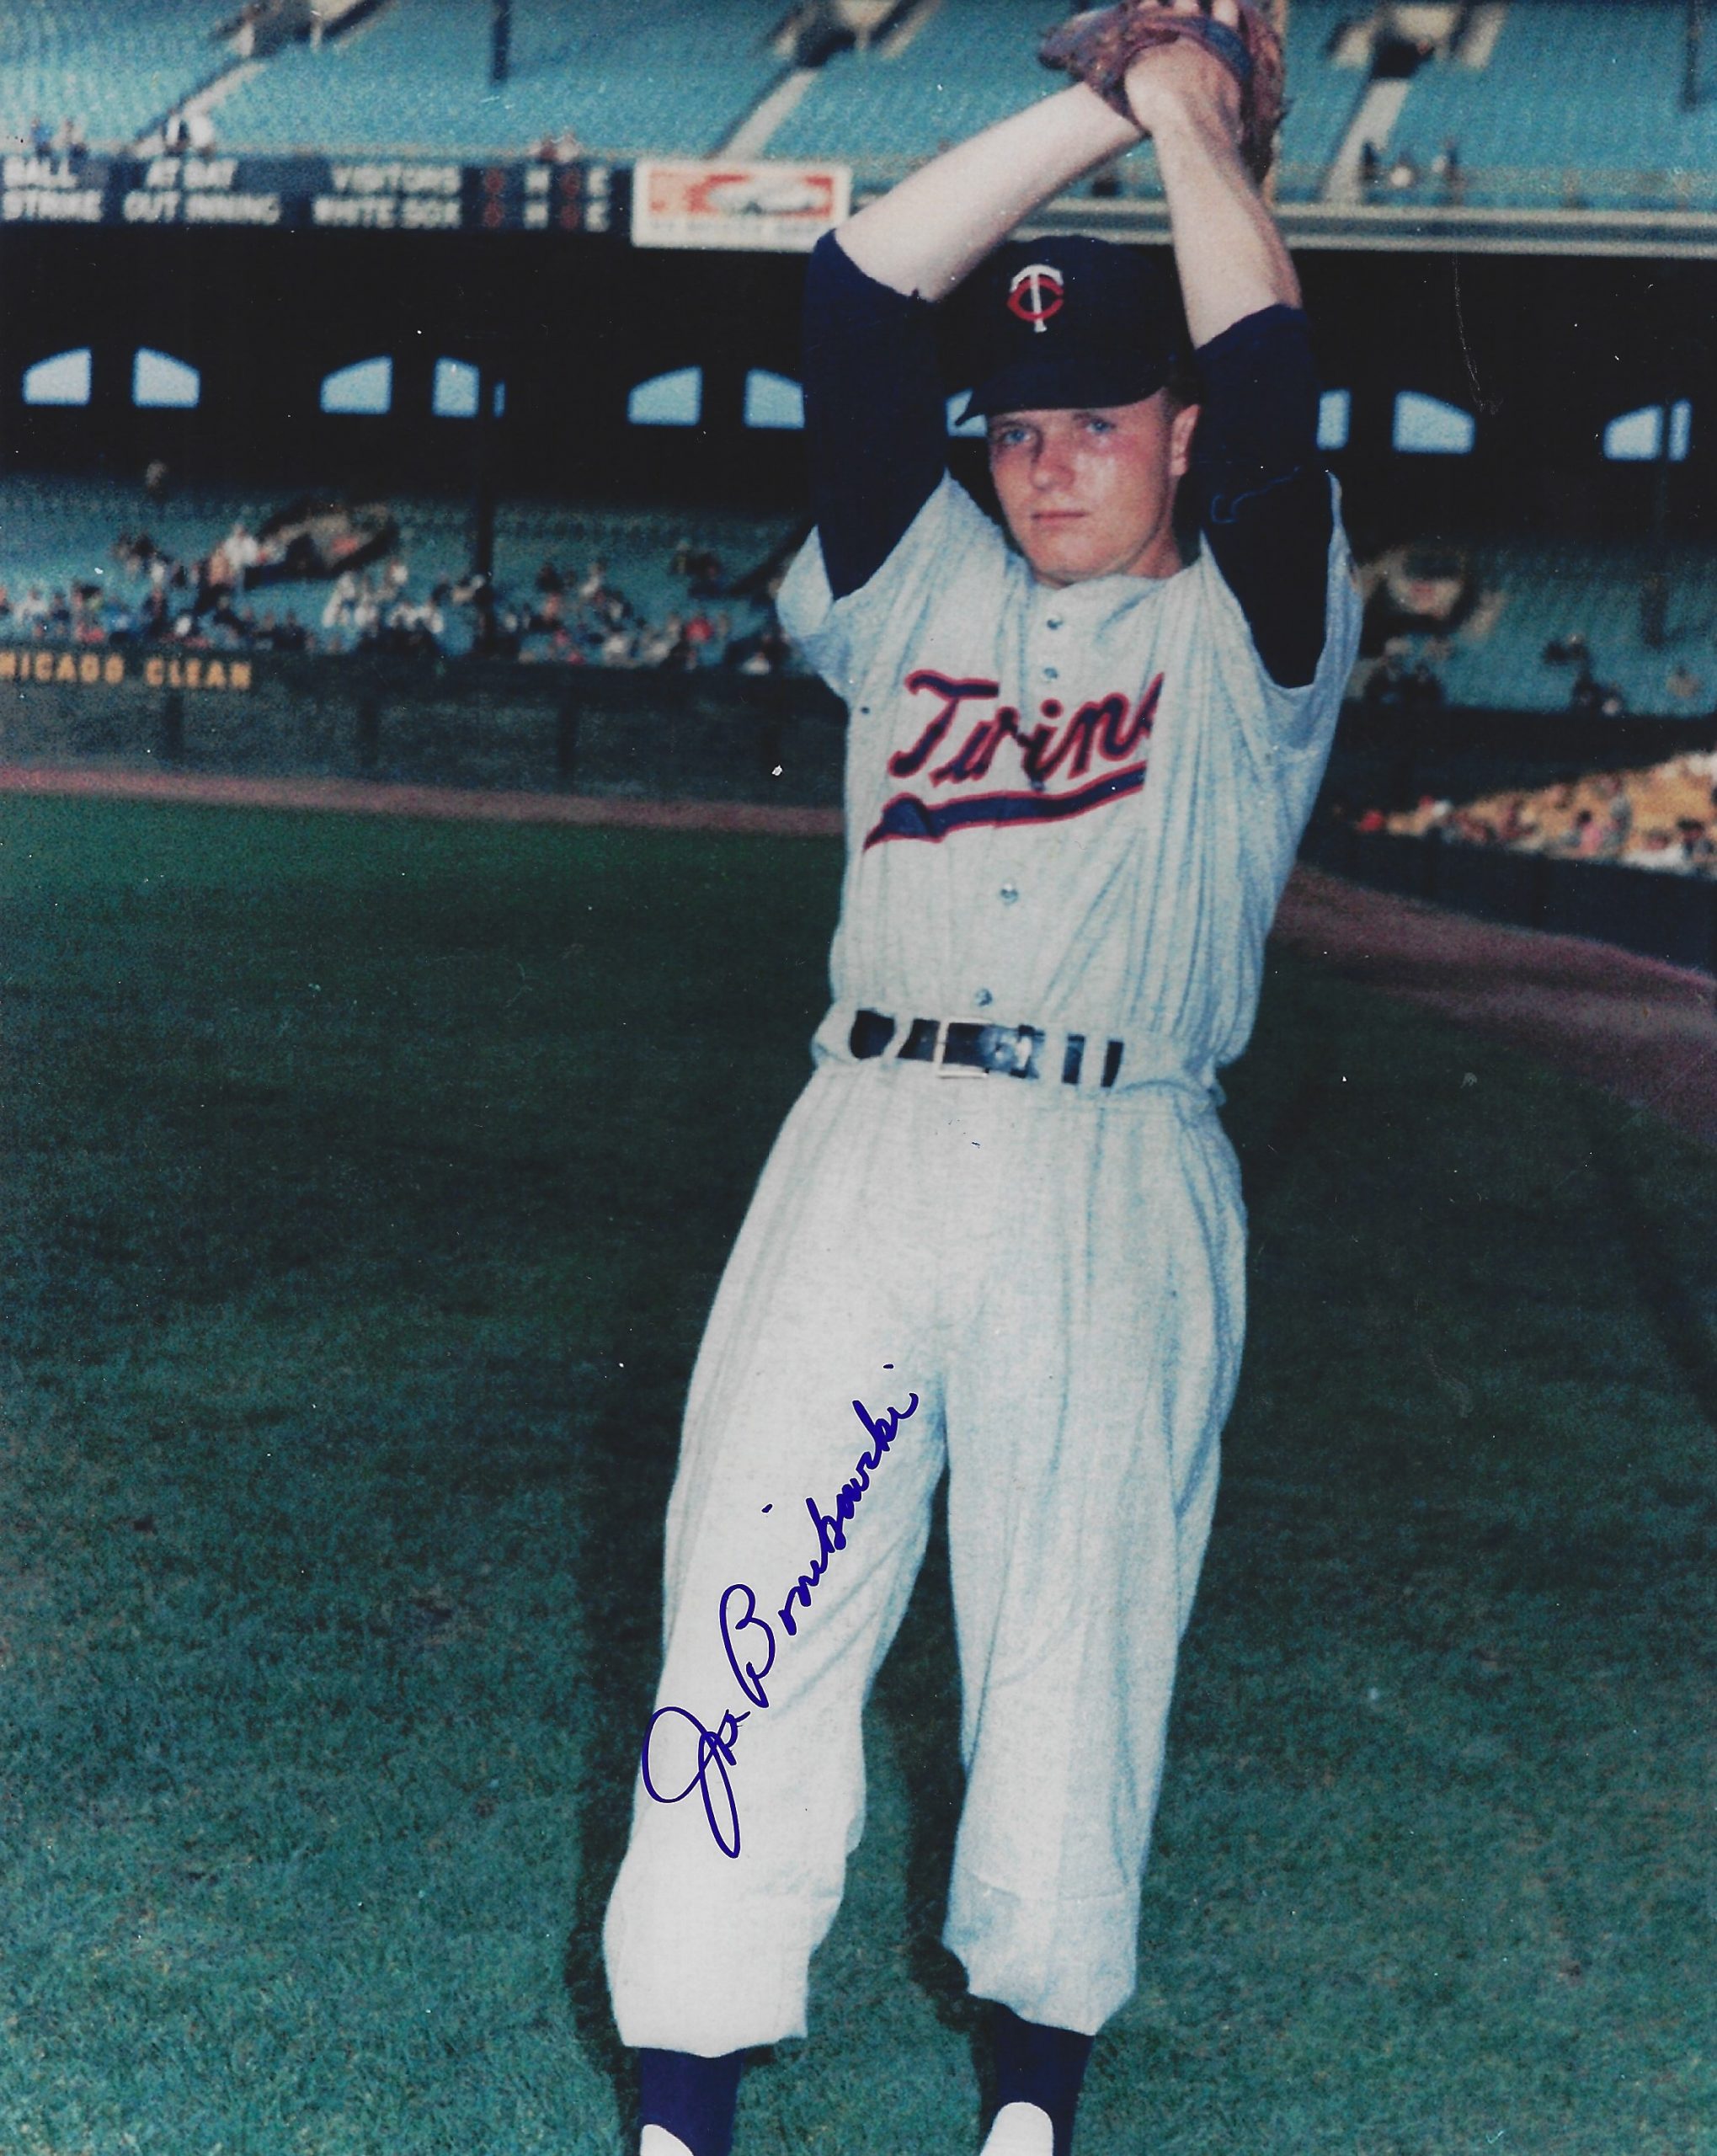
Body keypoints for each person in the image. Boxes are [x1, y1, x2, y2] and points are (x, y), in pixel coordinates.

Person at [601, 6, 1360, 2154]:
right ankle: (681, 2101)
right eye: (1017, 427)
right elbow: (854, 298)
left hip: (1118, 1158)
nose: (1045, 462)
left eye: (1097, 422)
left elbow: (1279, 383)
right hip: (864, 1142)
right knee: (748, 1590)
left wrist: (1197, 127)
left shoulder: (1257, 629)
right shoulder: (919, 572)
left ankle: (1031, 2102)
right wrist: (1102, 101)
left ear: (1180, 439)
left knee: (1072, 1639)